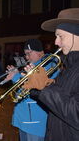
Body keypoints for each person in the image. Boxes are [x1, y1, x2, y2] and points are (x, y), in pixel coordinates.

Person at [22, 8, 79, 141]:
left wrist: (45, 88)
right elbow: (58, 101)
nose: (56, 42)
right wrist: (36, 86)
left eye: (61, 36)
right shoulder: (69, 66)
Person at [5, 39, 59, 141]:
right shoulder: (33, 65)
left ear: (39, 52)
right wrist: (14, 75)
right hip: (24, 117)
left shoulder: (49, 64)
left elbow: (37, 86)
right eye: (25, 54)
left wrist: (16, 76)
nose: (26, 57)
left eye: (29, 53)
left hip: (35, 121)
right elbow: (23, 89)